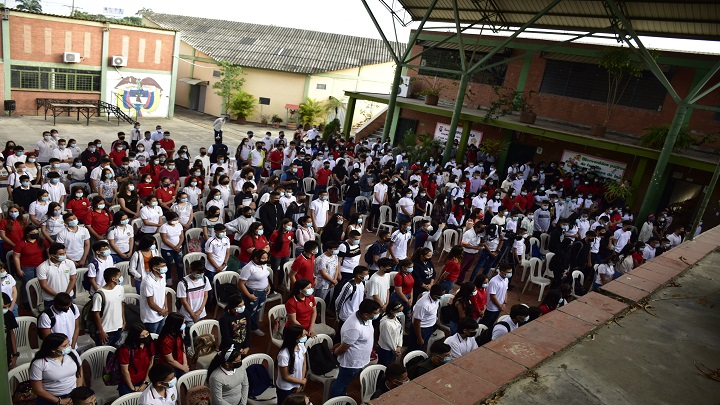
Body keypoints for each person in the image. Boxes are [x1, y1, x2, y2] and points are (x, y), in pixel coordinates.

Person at [329, 299, 381, 398]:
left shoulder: (365, 318)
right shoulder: (354, 327)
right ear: (365, 314)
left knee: (345, 382)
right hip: (352, 362)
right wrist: (336, 352)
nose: (376, 315)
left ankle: (342, 395)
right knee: (341, 382)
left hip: (361, 358)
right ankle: (335, 400)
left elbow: (351, 340)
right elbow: (343, 348)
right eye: (375, 313)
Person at [29, 333, 82, 405]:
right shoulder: (39, 363)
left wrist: (78, 393)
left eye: (68, 343)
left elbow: (79, 373)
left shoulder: (73, 354)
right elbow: (37, 389)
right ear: (53, 350)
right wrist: (59, 401)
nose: (69, 347)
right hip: (50, 398)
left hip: (73, 395)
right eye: (64, 346)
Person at [238, 249, 272, 336]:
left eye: (266, 258)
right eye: (263, 258)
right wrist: (249, 296)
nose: (265, 260)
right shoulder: (248, 268)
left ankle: (254, 327)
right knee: (249, 312)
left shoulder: (262, 265)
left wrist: (268, 286)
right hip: (253, 292)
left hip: (263, 292)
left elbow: (265, 276)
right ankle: (243, 329)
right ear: (256, 258)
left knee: (257, 311)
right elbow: (241, 284)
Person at [13, 225, 48, 307]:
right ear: (27, 234)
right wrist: (18, 269)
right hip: (27, 267)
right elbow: (16, 257)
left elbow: (48, 252)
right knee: (27, 285)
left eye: (36, 233)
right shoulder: (21, 243)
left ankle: (39, 301)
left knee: (41, 284)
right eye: (33, 233)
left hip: (41, 266)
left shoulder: (42, 241)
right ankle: (26, 302)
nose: (35, 234)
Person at [177, 260, 211, 342]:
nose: (200, 275)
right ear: (191, 270)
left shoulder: (205, 279)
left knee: (199, 333)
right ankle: (188, 347)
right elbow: (184, 301)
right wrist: (193, 314)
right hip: (188, 315)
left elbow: (205, 295)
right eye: (197, 273)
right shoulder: (183, 283)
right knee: (188, 335)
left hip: (201, 313)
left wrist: (199, 311)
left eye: (202, 273)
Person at [91, 267, 125, 346]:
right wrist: (101, 331)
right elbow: (96, 314)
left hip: (119, 328)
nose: (121, 277)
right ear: (113, 279)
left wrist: (123, 321)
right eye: (119, 276)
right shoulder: (99, 294)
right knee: (104, 355)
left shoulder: (120, 289)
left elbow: (121, 304)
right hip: (106, 330)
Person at [118, 323, 155, 396]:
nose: (146, 337)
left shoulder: (149, 343)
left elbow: (151, 362)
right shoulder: (125, 350)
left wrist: (146, 382)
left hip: (145, 379)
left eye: (147, 334)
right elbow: (124, 371)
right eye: (142, 336)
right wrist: (133, 388)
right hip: (129, 383)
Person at [275, 324, 309, 404]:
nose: (306, 335)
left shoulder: (301, 346)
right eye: (303, 335)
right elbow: (285, 376)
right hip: (286, 388)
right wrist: (301, 382)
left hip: (298, 383)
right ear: (296, 337)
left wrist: (300, 382)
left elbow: (304, 364)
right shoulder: (284, 355)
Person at [37, 242, 77, 309]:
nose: (64, 255)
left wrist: (66, 295)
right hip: (51, 300)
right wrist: (58, 296)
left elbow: (73, 279)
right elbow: (44, 285)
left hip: (68, 297)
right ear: (52, 255)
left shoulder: (69, 263)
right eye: (61, 254)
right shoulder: (42, 267)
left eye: (64, 253)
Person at [141, 257, 170, 334]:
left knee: (160, 336)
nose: (165, 268)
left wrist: (166, 308)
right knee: (152, 339)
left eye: (165, 265)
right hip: (151, 317)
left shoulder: (163, 276)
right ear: (154, 268)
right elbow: (150, 302)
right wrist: (161, 311)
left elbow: (163, 293)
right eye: (162, 266)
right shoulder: (148, 282)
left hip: (162, 314)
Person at [411, 284, 444, 351]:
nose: (442, 297)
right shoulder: (424, 305)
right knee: (417, 348)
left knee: (424, 345)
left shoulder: (429, 293)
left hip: (429, 326)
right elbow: (416, 322)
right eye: (440, 296)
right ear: (435, 296)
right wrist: (420, 338)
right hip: (422, 329)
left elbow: (421, 294)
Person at [156, 312, 189, 377]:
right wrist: (183, 368)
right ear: (175, 325)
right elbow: (170, 360)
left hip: (180, 362)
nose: (184, 325)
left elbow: (182, 346)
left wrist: (185, 363)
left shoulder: (178, 331)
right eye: (182, 323)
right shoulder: (166, 341)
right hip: (170, 367)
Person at [481, 264, 512, 329]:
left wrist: (504, 303)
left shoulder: (506, 279)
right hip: (492, 307)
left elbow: (505, 291)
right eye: (508, 272)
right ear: (502, 272)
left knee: (491, 323)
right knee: (485, 324)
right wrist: (499, 306)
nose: (510, 274)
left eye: (511, 272)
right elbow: (492, 296)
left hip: (499, 307)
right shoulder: (494, 281)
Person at [159, 211, 185, 284]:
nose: (176, 221)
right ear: (168, 219)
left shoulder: (179, 225)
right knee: (168, 264)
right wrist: (174, 247)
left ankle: (180, 278)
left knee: (179, 264)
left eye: (177, 219)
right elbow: (164, 240)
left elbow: (182, 236)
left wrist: (178, 246)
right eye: (174, 220)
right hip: (167, 249)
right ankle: (168, 278)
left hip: (178, 248)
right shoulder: (164, 227)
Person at [377, 300, 404, 366]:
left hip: (395, 348)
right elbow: (387, 339)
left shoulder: (395, 318)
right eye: (399, 311)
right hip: (386, 350)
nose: (401, 313)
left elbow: (400, 332)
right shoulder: (385, 323)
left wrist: (399, 346)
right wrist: (395, 349)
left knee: (391, 364)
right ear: (392, 311)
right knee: (383, 366)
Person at [3, 293, 19, 369]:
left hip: (7, 353)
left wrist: (15, 355)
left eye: (7, 307)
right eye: (3, 307)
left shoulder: (9, 315)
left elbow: (11, 334)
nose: (5, 310)